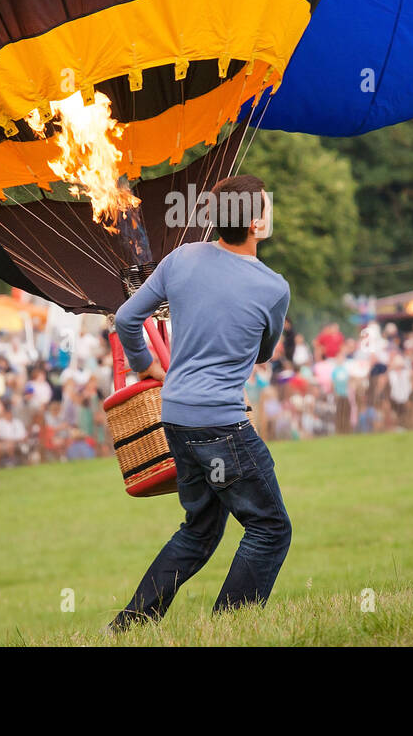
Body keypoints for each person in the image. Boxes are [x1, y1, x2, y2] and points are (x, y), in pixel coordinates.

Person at [109, 174, 292, 632]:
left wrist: (146, 366)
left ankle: (128, 627)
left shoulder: (181, 259)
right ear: (255, 224)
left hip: (175, 418)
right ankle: (228, 629)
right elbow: (263, 352)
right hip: (222, 428)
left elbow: (128, 317)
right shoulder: (273, 288)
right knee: (270, 528)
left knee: (200, 530)